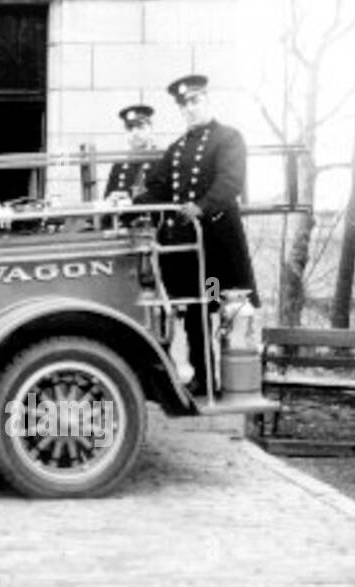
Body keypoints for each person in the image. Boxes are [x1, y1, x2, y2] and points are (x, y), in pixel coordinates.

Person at [136, 74, 259, 395]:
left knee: (223, 307)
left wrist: (200, 207)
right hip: (189, 249)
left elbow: (230, 183)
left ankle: (234, 382)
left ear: (207, 100)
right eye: (184, 105)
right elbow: (157, 187)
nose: (190, 109)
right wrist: (129, 204)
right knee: (196, 312)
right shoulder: (178, 149)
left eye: (195, 101)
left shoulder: (228, 138)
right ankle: (204, 378)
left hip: (217, 245)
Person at [104, 104, 156, 201]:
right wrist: (111, 200)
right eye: (130, 128)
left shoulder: (162, 161)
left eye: (140, 127)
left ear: (150, 129)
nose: (135, 133)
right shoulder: (119, 166)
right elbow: (106, 203)